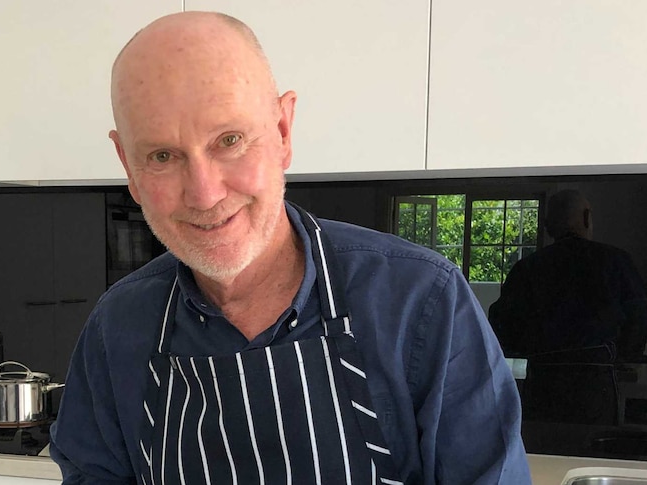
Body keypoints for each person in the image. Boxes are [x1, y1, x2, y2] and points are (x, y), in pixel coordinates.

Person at [50, 11, 530, 484]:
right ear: (127, 168)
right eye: (161, 156)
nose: (204, 194)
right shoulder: (117, 328)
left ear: (282, 130)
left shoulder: (421, 301)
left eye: (229, 140)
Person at [489, 189, 647, 361]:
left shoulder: (527, 269)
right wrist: (623, 357)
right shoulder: (617, 262)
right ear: (587, 218)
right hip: (602, 375)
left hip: (543, 375)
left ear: (548, 226)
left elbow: (502, 325)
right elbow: (639, 316)